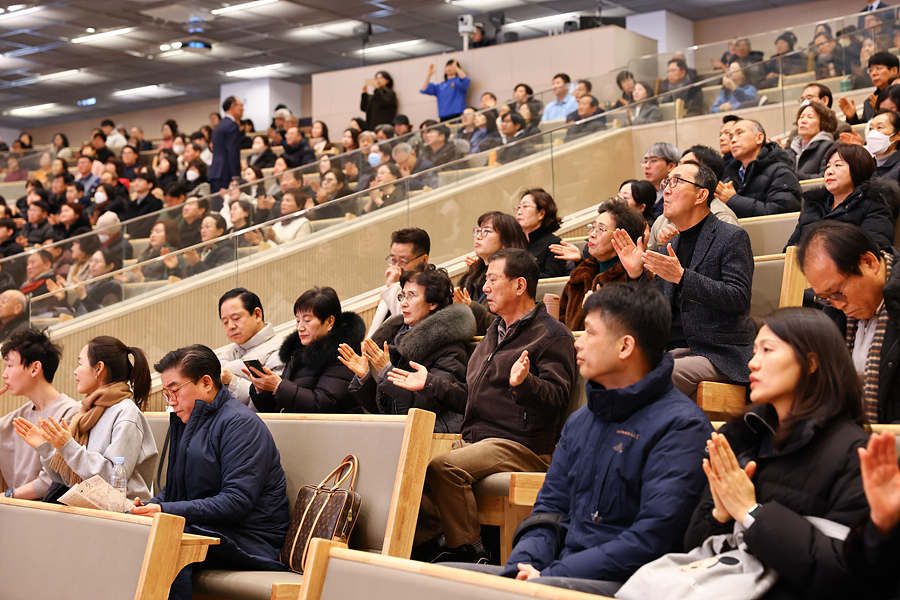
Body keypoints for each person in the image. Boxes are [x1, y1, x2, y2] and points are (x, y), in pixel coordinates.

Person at [456, 282, 712, 593]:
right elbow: (548, 510)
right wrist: (524, 565)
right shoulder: (580, 421)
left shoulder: (683, 427)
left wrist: (550, 575)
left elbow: (652, 539)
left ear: (625, 347)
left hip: (626, 586)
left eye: (589, 333)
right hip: (555, 576)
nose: (578, 343)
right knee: (433, 579)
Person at [678, 308, 869, 600]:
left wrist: (750, 512)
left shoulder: (853, 452)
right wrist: (720, 514)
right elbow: (693, 550)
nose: (752, 363)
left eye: (767, 350)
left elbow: (846, 573)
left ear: (811, 363)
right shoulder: (742, 435)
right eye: (754, 351)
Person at [413, 248, 576, 564]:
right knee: (412, 467)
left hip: (522, 445)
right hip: (478, 439)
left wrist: (525, 384)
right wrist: (430, 383)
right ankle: (426, 548)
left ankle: (471, 552)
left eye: (492, 279)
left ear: (519, 285)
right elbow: (471, 397)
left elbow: (557, 398)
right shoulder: (493, 332)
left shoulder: (552, 334)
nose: (484, 287)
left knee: (443, 467)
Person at [133, 344, 289, 600]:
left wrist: (164, 510)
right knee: (132, 527)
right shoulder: (189, 421)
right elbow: (175, 490)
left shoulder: (240, 424)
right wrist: (149, 507)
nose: (171, 402)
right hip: (209, 528)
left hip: (252, 538)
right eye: (166, 394)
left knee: (169, 540)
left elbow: (236, 501)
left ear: (206, 382)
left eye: (175, 391)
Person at [613, 160, 755, 398]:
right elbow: (654, 310)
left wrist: (683, 277)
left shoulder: (731, 237)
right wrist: (636, 274)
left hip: (717, 353)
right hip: (672, 352)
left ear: (701, 195)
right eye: (666, 183)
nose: (666, 190)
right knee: (615, 370)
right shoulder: (671, 246)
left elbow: (738, 298)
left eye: (675, 182)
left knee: (661, 375)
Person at [14, 335, 158, 501]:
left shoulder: (126, 413)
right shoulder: (86, 412)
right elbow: (67, 480)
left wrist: (68, 446)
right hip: (87, 506)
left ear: (98, 368)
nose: (75, 371)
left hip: (122, 510)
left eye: (80, 363)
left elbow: (112, 479)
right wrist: (45, 447)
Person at [342, 263, 474, 433]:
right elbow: (383, 410)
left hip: (431, 434)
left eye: (412, 295)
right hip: (398, 431)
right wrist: (365, 377)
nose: (404, 303)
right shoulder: (395, 337)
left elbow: (427, 406)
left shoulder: (450, 346)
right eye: (402, 296)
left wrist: (387, 372)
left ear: (433, 303)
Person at [797, 221, 900, 422]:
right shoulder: (834, 314)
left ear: (869, 263)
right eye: (826, 298)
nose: (837, 305)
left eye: (837, 292)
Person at [246, 286, 364, 414]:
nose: (300, 327)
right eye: (298, 320)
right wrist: (263, 389)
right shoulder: (298, 351)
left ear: (329, 322)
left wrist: (279, 386)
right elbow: (276, 407)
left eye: (307, 320)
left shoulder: (344, 353)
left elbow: (324, 404)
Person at [0, 329, 80, 501]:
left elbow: (50, 482)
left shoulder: (69, 412)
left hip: (44, 511)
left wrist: (7, 496)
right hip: (14, 508)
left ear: (35, 368)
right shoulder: (16, 417)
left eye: (10, 366)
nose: (4, 374)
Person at [551, 199, 646, 331]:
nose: (592, 235)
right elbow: (561, 321)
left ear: (621, 237)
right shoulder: (581, 272)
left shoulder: (635, 276)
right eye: (593, 227)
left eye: (600, 229)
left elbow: (639, 326)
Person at [786, 144, 898, 250]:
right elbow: (789, 252)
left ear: (858, 169)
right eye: (827, 166)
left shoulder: (874, 206)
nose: (829, 172)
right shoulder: (813, 208)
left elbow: (872, 250)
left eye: (838, 165)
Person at [455, 212, 528, 335]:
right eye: (478, 231)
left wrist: (471, 308)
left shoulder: (515, 277)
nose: (478, 236)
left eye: (486, 231)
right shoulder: (471, 275)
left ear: (505, 242)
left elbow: (508, 328)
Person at [217, 288, 285, 410]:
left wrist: (232, 382)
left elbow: (271, 404)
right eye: (225, 322)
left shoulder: (280, 351)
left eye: (236, 318)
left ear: (257, 315)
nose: (231, 326)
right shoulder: (227, 353)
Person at [718, 119, 803, 217]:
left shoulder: (781, 172)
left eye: (739, 133)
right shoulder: (730, 179)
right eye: (731, 137)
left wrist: (732, 200)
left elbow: (782, 214)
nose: (733, 140)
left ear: (759, 138)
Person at [367, 228, 430, 337]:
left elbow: (405, 325)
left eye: (403, 261)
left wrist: (393, 286)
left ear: (424, 260)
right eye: (393, 260)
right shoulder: (392, 289)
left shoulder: (432, 291)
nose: (396, 267)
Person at [46, 247, 122, 316]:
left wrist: (84, 297)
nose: (92, 265)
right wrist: (62, 299)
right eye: (91, 260)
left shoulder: (113, 287)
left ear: (109, 266)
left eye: (97, 262)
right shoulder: (89, 284)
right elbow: (74, 312)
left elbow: (105, 315)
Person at [516, 189, 565, 278]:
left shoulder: (553, 244)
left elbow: (552, 279)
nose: (519, 212)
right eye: (519, 207)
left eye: (525, 207)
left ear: (541, 214)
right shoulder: (515, 242)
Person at [840, 51, 900, 124]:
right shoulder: (869, 102)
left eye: (879, 68)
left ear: (894, 70)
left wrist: (880, 111)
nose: (873, 73)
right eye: (871, 70)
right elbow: (867, 127)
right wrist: (852, 118)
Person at [209, 96, 244, 209]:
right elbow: (232, 152)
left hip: (215, 171)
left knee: (216, 207)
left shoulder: (219, 125)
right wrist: (235, 176)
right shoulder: (232, 125)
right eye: (241, 106)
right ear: (233, 106)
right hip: (226, 172)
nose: (243, 109)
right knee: (226, 207)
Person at [787, 101, 837, 178]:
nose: (803, 121)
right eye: (801, 117)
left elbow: (825, 177)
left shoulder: (829, 147)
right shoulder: (792, 149)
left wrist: (792, 177)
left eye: (810, 117)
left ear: (823, 123)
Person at [642, 142, 680, 216]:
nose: (646, 166)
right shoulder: (643, 193)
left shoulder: (677, 195)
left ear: (671, 166)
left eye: (653, 161)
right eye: (645, 161)